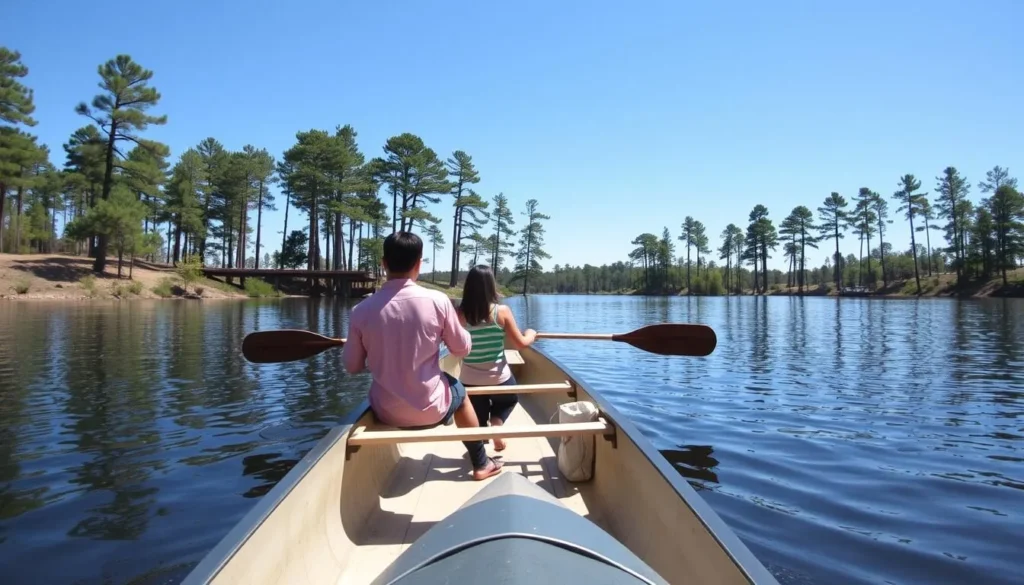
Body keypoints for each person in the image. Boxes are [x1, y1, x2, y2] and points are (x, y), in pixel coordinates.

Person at [342, 232, 502, 481]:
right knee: (460, 392)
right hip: (432, 409)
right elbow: (461, 349)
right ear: (419, 263)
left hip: (385, 411)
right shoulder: (438, 301)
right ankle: (481, 462)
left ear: (384, 264)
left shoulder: (360, 311)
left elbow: (352, 366)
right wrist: (458, 334)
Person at [456, 265, 537, 451]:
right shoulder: (502, 312)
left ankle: (484, 432)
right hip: (500, 381)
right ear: (491, 287)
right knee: (510, 399)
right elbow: (521, 344)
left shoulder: (458, 314)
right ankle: (497, 423)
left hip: (470, 382)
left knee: (476, 411)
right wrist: (531, 334)